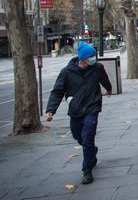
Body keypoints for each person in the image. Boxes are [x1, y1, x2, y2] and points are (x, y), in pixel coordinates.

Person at [45, 41, 112, 185]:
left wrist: (109, 89)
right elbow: (57, 92)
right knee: (78, 136)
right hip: (75, 110)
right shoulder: (67, 72)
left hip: (92, 108)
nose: (94, 58)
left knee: (87, 136)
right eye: (91, 56)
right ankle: (92, 151)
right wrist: (51, 110)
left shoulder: (97, 68)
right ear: (83, 58)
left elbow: (104, 80)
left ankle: (87, 170)